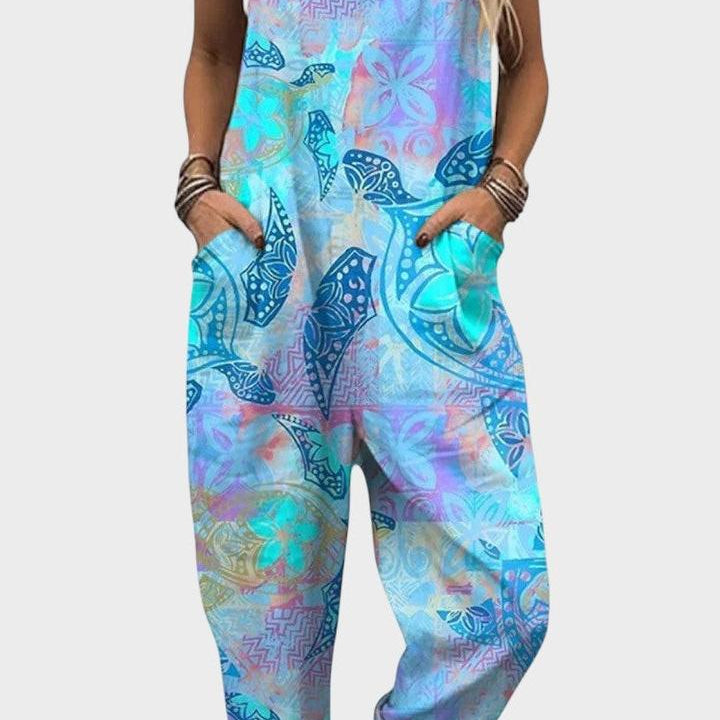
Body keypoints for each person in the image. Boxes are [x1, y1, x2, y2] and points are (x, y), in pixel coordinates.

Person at [178, 1, 550, 718]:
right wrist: (197, 184)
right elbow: (214, 53)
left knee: (505, 608)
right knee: (267, 664)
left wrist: (501, 191)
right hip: (267, 293)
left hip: (431, 295)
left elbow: (525, 63)